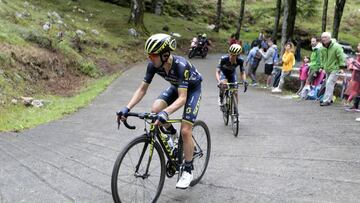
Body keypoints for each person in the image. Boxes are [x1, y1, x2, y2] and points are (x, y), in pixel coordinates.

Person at [117, 33, 203, 189]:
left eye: (153, 56)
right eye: (149, 55)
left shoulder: (180, 66)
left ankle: (188, 169)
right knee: (155, 109)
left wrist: (166, 113)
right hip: (176, 87)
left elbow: (182, 98)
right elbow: (142, 89)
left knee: (185, 130)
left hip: (192, 90)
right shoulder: (153, 66)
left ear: (165, 55)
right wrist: (127, 108)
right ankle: (174, 138)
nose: (150, 59)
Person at [319, 32, 346, 106]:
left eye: (325, 37)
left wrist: (341, 67)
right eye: (322, 37)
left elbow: (341, 57)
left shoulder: (336, 46)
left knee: (329, 83)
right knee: (329, 84)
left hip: (335, 68)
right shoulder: (322, 48)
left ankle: (326, 100)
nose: (323, 39)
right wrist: (322, 67)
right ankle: (329, 99)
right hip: (327, 68)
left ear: (329, 38)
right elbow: (322, 58)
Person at [345, 43, 360, 112]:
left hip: (358, 75)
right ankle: (354, 105)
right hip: (355, 74)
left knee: (355, 90)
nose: (358, 47)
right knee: (355, 89)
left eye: (359, 45)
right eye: (358, 45)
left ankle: (348, 102)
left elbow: (358, 66)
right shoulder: (358, 55)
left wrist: (353, 62)